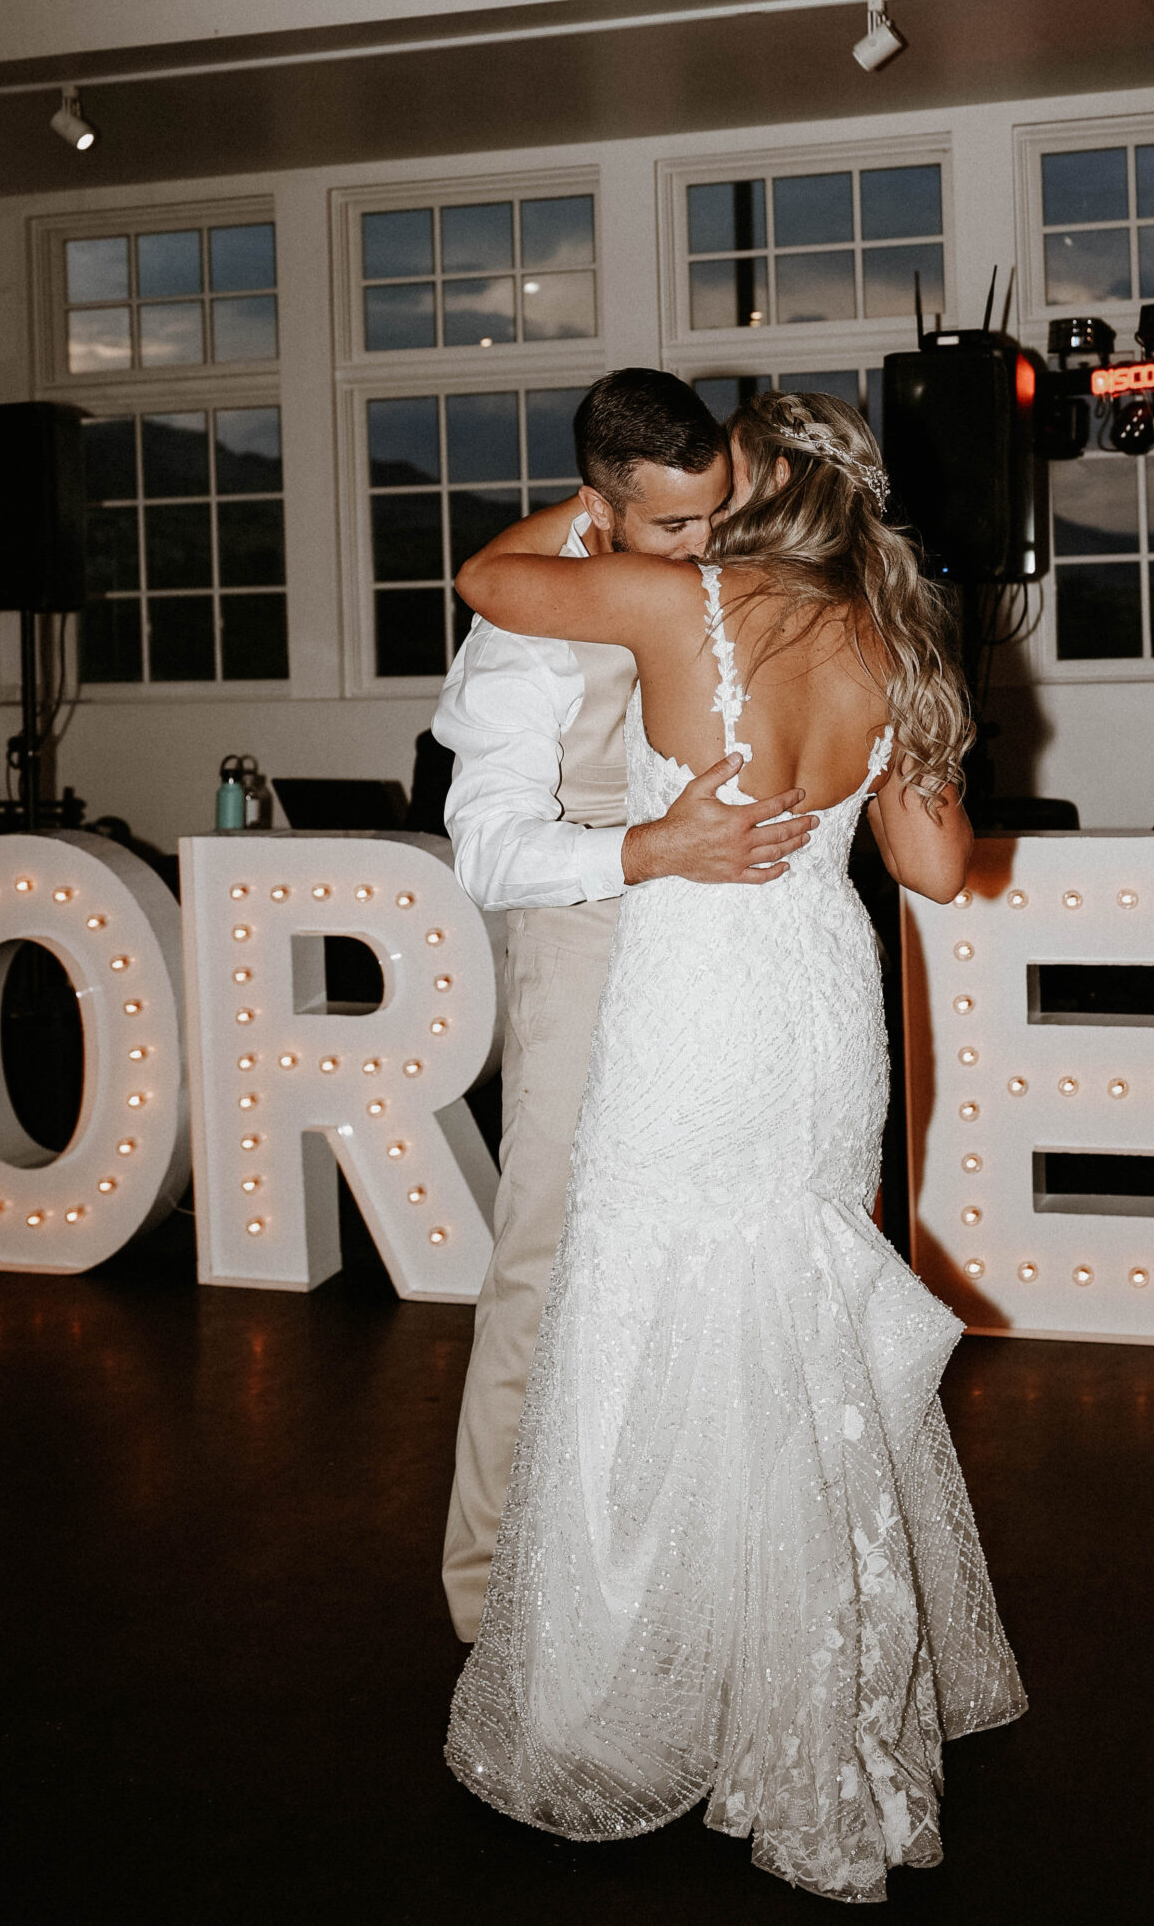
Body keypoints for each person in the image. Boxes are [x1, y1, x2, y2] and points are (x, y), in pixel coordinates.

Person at [444, 389, 1025, 1904]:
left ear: (749, 497)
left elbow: (485, 583)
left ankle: (658, 1684)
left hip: (691, 1004)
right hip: (822, 1007)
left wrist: (613, 514)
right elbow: (936, 868)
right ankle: (807, 1687)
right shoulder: (893, 639)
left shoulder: (672, 597)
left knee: (650, 1318)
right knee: (798, 1327)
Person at [434, 370, 823, 1646]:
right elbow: (486, 854)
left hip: (705, 957)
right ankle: (489, 1600)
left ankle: (654, 1568)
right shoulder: (527, 629)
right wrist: (652, 852)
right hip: (588, 945)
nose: (702, 553)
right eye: (672, 528)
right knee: (544, 1265)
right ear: (597, 509)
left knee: (685, 1266)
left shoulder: (709, 582)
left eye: (716, 518)